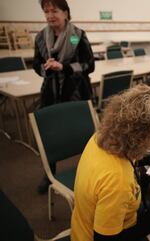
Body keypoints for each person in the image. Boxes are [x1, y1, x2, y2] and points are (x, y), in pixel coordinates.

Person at [71, 84, 150, 241]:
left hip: (98, 222)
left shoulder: (101, 138)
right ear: (145, 137)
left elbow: (135, 156)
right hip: (102, 236)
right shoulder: (118, 180)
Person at [33, 0, 95, 194]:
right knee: (49, 134)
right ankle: (49, 175)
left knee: (84, 134)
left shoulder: (77, 36)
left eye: (55, 10)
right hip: (51, 92)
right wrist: (44, 67)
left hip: (75, 92)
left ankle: (90, 171)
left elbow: (89, 65)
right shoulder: (41, 38)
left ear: (66, 13)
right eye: (46, 11)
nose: (50, 15)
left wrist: (65, 67)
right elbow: (36, 64)